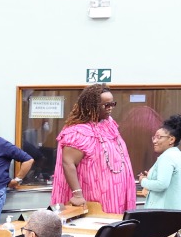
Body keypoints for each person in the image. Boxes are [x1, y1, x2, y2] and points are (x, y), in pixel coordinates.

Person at [51, 84, 136, 213]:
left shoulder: (108, 124)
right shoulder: (78, 132)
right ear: (91, 106)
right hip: (95, 196)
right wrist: (77, 195)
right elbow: (68, 162)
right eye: (106, 105)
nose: (110, 108)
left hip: (116, 194)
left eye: (112, 104)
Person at [140, 115, 181, 212]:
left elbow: (161, 184)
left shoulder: (167, 157)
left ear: (171, 139)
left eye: (159, 137)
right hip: (178, 212)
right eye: (154, 137)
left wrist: (143, 181)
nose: (155, 141)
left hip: (162, 214)